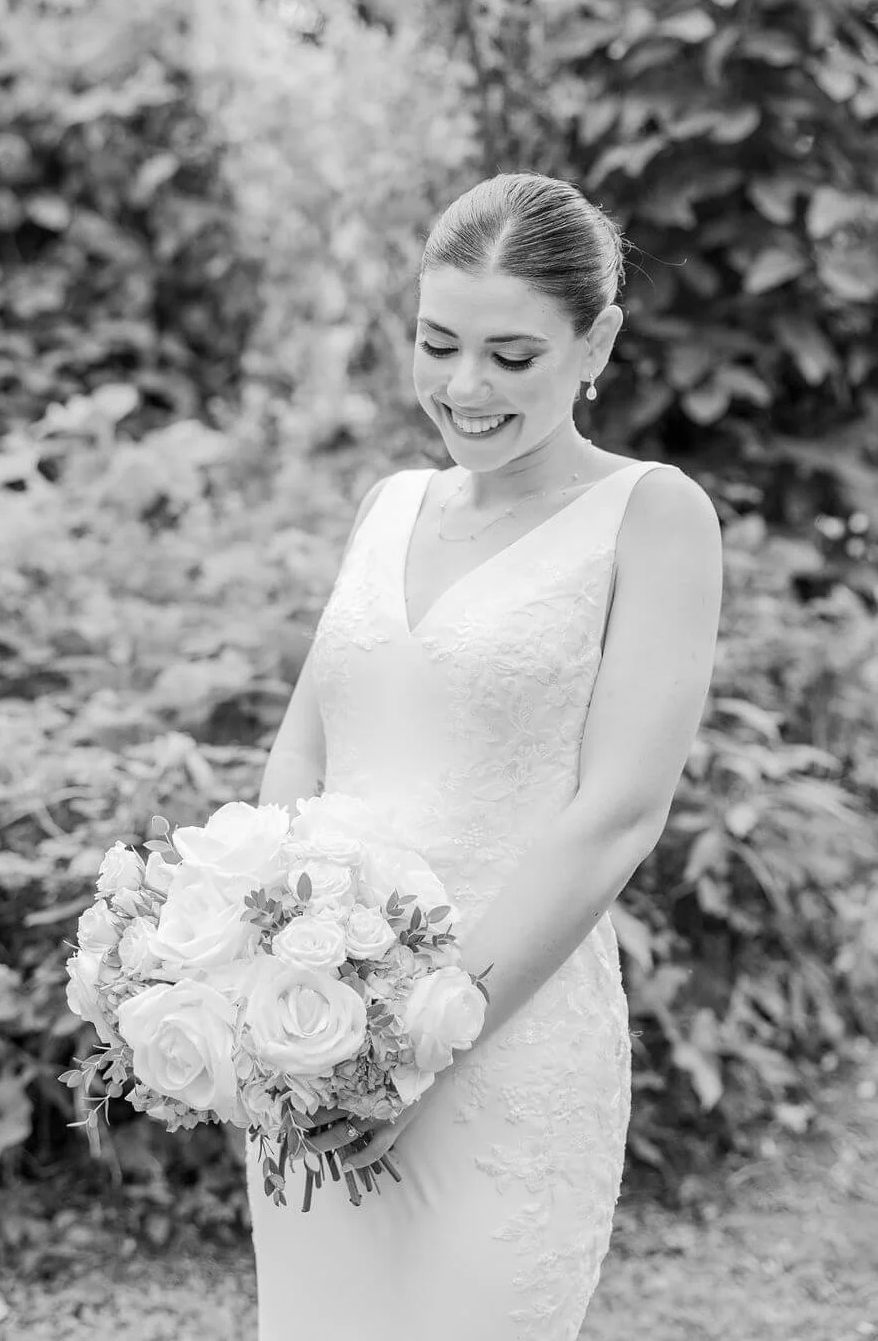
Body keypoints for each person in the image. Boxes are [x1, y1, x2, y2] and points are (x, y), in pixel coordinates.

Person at [245, 171, 723, 1340]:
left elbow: (616, 815)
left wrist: (422, 1041)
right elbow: (303, 749)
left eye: (511, 355)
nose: (464, 387)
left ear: (595, 341)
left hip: (506, 1040)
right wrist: (265, 962)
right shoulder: (389, 505)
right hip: (320, 1032)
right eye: (438, 343)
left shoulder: (653, 518)